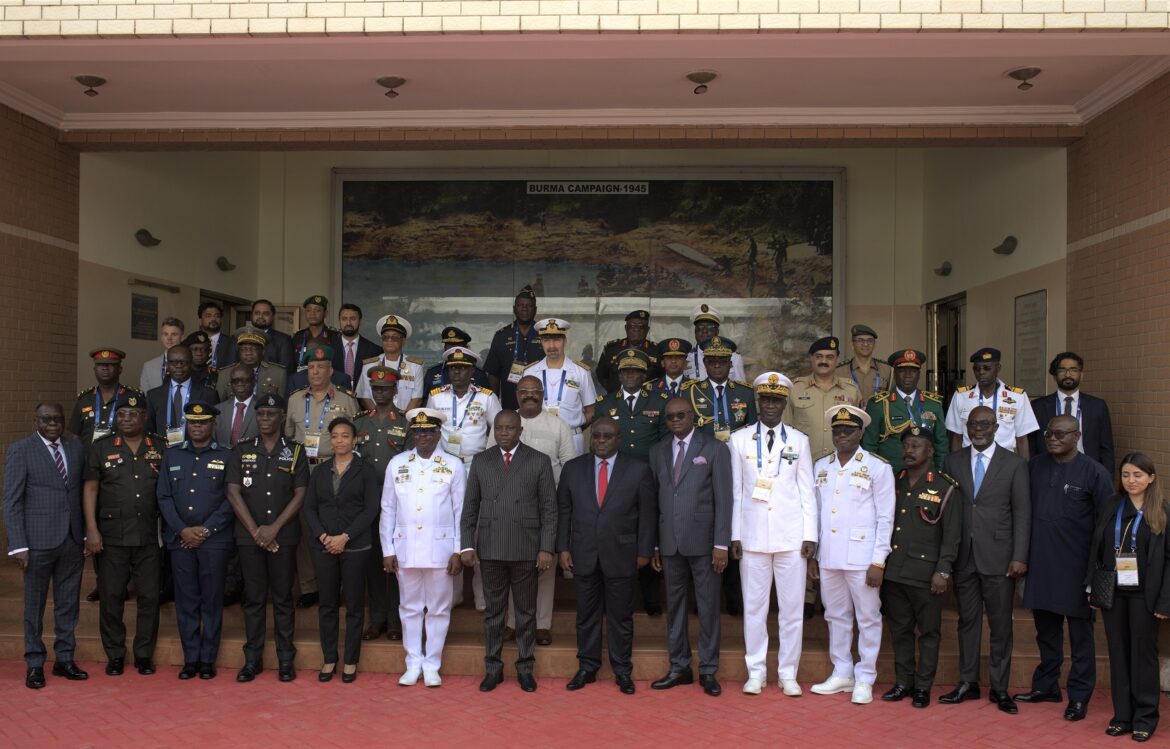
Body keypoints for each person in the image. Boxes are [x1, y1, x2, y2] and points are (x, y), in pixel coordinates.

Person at [1015, 414, 1114, 720]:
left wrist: (1096, 571)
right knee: (1046, 631)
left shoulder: (1094, 472)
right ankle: (1046, 686)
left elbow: (1105, 525)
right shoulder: (1036, 466)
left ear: (1077, 435)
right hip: (1042, 564)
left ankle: (1080, 695)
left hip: (1077, 568)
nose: (1053, 438)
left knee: (1081, 636)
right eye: (1049, 433)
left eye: (1061, 434)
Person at [728, 372, 815, 697]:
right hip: (751, 537)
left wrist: (811, 535)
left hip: (792, 538)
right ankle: (756, 671)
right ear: (758, 401)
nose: (770, 405)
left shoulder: (798, 440)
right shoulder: (739, 440)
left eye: (777, 400)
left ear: (784, 403)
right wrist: (735, 535)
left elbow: (807, 492)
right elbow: (736, 491)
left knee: (792, 609)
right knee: (754, 608)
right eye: (765, 399)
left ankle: (788, 673)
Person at [939, 405, 1030, 714]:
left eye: (985, 424)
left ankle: (1000, 688)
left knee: (1001, 625)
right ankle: (968, 682)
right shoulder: (952, 461)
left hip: (1000, 558)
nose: (978, 429)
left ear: (996, 427)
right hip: (964, 557)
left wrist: (1019, 556)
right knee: (968, 623)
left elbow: (1022, 513)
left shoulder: (1015, 464)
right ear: (966, 427)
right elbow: (947, 513)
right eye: (973, 424)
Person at [459, 410, 557, 693]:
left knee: (526, 613)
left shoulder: (538, 460)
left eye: (510, 429)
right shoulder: (481, 460)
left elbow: (549, 510)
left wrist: (546, 548)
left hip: (526, 548)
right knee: (494, 613)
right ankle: (493, 668)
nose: (504, 433)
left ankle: (525, 668)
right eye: (499, 428)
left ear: (520, 431)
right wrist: (467, 544)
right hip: (490, 548)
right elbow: (470, 509)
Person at [556, 417, 656, 695]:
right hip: (582, 553)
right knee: (586, 615)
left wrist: (645, 552)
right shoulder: (573, 469)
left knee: (620, 617)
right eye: (596, 436)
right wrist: (563, 547)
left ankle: (622, 670)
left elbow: (647, 515)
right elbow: (564, 510)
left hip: (623, 555)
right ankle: (587, 667)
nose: (600, 440)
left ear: (618, 439)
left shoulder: (638, 470)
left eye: (607, 436)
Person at [809, 405, 895, 706]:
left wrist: (878, 560)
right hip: (830, 556)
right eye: (837, 430)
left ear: (861, 433)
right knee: (835, 616)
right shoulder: (821, 466)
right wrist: (814, 556)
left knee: (868, 617)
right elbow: (817, 514)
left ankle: (866, 676)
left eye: (848, 430)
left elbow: (886, 518)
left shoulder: (877, 467)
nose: (842, 435)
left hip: (863, 558)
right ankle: (842, 671)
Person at [648, 397, 732, 697]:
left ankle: (708, 670)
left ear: (693, 416)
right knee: (675, 607)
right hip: (670, 543)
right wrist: (656, 544)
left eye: (681, 415)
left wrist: (721, 543)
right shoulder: (657, 451)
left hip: (705, 543)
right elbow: (656, 500)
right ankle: (679, 666)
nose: (675, 421)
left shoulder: (714, 449)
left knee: (708, 608)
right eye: (669, 417)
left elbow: (725, 500)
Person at [224, 392, 308, 683]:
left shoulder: (296, 451)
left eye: (271, 414)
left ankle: (286, 660)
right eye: (260, 414)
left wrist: (273, 529)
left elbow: (300, 494)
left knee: (284, 598)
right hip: (250, 539)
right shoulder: (242, 449)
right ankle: (252, 660)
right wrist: (256, 531)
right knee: (254, 599)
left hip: (283, 537)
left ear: (282, 416)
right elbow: (233, 491)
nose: (265, 419)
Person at [380, 408, 467, 688]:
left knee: (439, 610)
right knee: (409, 608)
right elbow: (387, 509)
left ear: (438, 433)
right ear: (412, 434)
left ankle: (432, 664)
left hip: (441, 551)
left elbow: (461, 511)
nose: (423, 437)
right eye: (418, 432)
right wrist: (387, 549)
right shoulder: (397, 463)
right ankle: (413, 662)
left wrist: (459, 550)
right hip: (405, 549)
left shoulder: (453, 465)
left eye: (428, 431)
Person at [3, 402, 87, 689]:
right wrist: (18, 545)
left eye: (57, 419)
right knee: (34, 607)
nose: (53, 424)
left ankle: (65, 659)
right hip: (36, 542)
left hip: (72, 539)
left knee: (68, 604)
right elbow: (11, 502)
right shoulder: (21, 450)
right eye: (46, 420)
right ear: (36, 421)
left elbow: (78, 492)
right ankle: (35, 663)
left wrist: (85, 534)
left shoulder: (75, 448)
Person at [82, 394, 166, 677]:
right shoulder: (101, 447)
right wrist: (91, 529)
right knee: (111, 596)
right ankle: (115, 654)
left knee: (149, 597)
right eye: (122, 415)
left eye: (133, 414)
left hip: (149, 536)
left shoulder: (161, 446)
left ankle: (143, 654)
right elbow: (91, 489)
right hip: (112, 536)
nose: (127, 419)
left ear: (144, 417)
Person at [880, 424, 961, 708]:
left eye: (916, 445)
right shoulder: (894, 480)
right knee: (899, 631)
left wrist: (943, 570)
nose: (909, 450)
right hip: (894, 571)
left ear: (931, 450)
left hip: (926, 575)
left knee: (928, 633)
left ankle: (923, 687)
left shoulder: (944, 487)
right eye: (906, 445)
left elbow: (951, 535)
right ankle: (904, 681)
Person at [1090, 453, 1170, 742]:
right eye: (1125, 475)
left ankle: (1145, 718)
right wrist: (1092, 587)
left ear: (1150, 478)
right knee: (1119, 655)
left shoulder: (1162, 511)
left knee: (1143, 657)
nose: (1131, 480)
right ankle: (1122, 716)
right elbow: (1096, 549)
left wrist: (1165, 602)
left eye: (1137, 475)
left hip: (1146, 597)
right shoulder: (1113, 506)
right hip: (1115, 592)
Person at [156, 401, 234, 680]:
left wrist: (205, 531)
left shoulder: (227, 455)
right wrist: (182, 530)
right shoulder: (172, 455)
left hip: (214, 541)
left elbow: (231, 499)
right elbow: (164, 497)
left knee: (211, 600)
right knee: (186, 600)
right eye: (192, 422)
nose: (197, 427)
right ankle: (190, 658)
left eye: (202, 422)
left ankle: (207, 659)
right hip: (181, 541)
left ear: (213, 425)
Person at [303, 417, 380, 683]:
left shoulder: (366, 470)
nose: (339, 441)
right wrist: (324, 536)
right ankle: (329, 658)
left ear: (355, 439)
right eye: (335, 436)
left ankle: (350, 660)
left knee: (355, 606)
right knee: (327, 605)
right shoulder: (321, 471)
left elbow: (371, 509)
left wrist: (345, 537)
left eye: (345, 436)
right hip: (324, 546)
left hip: (355, 546)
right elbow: (310, 507)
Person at [284, 342, 360, 608]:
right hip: (304, 469)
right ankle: (308, 587)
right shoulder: (294, 400)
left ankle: (337, 586)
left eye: (321, 367)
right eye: (311, 367)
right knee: (307, 528)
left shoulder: (345, 400)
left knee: (336, 524)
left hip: (333, 467)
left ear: (331, 371)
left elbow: (355, 438)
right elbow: (289, 438)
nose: (315, 372)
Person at [513, 373, 579, 639]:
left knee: (544, 567)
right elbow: (490, 461)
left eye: (534, 391)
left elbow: (570, 468)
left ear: (542, 394)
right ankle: (510, 623)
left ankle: (541, 624)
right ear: (517, 394)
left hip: (546, 509)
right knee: (511, 565)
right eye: (523, 391)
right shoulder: (505, 422)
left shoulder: (558, 425)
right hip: (511, 509)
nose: (529, 395)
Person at [353, 366, 409, 642]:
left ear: (395, 390)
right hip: (367, 502)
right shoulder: (360, 423)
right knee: (374, 561)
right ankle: (376, 619)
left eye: (385, 388)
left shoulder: (407, 423)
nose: (380, 393)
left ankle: (396, 620)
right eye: (375, 388)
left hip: (398, 503)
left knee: (397, 561)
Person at [945, 347, 1040, 458]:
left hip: (1004, 461)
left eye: (987, 368)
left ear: (998, 368)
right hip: (970, 459)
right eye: (977, 369)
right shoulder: (961, 396)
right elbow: (956, 437)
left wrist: (1024, 471)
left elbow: (1022, 440)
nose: (981, 372)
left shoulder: (1017, 396)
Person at [862, 349, 948, 471]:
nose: (908, 375)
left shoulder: (933, 404)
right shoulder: (879, 404)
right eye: (902, 370)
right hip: (890, 474)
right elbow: (869, 445)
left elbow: (941, 444)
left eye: (913, 371)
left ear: (919, 373)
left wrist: (940, 474)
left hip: (925, 477)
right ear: (894, 372)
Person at [1028, 351, 1115, 472]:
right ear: (1055, 375)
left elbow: (1106, 448)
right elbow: (1032, 446)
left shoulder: (1097, 406)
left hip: (1087, 470)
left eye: (1073, 370)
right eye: (1062, 370)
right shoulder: (1038, 406)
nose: (1067, 374)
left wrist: (1107, 479)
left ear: (1081, 374)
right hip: (1049, 470)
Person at [524, 318, 597, 454]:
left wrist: (574, 425)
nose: (552, 346)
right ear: (541, 342)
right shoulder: (530, 373)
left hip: (572, 437)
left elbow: (591, 410)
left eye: (557, 339)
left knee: (572, 475)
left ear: (565, 341)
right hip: (538, 438)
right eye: (546, 340)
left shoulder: (581, 372)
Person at [784, 336, 862, 461]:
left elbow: (860, 430)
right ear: (811, 358)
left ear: (836, 359)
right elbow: (785, 428)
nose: (823, 361)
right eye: (819, 356)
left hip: (841, 465)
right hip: (804, 463)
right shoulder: (795, 389)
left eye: (829, 357)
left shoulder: (851, 390)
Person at [425, 347, 502, 464]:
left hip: (477, 462)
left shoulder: (487, 397)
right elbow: (429, 429)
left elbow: (499, 428)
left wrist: (491, 456)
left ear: (472, 370)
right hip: (443, 462)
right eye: (452, 367)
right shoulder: (436, 396)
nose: (456, 371)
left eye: (462, 367)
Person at [593, 348, 667, 461]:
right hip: (615, 467)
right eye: (625, 371)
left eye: (635, 371)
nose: (629, 375)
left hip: (649, 466)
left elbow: (665, 440)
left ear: (644, 376)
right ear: (619, 376)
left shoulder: (659, 402)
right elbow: (596, 440)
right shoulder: (604, 403)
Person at [685, 336, 756, 445]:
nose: (717, 365)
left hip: (736, 452)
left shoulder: (745, 392)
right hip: (703, 453)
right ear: (705, 363)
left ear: (730, 364)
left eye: (722, 361)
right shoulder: (691, 391)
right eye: (712, 361)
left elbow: (752, 430)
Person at [483, 285, 544, 410]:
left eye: (529, 305)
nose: (525, 309)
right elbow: (493, 374)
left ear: (535, 309)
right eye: (521, 305)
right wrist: (494, 406)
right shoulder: (501, 336)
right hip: (509, 405)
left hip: (540, 405)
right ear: (514, 309)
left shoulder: (544, 336)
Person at [145, 345, 218, 446]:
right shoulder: (153, 395)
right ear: (167, 365)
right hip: (163, 452)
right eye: (173, 362)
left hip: (196, 453)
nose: (179, 366)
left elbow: (215, 428)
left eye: (183, 362)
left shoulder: (208, 394)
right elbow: (149, 429)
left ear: (191, 364)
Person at [70, 348, 145, 445]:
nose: (105, 368)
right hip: (88, 458)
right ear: (94, 370)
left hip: (121, 458)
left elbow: (143, 432)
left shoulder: (134, 397)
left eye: (111, 364)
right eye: (100, 365)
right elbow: (75, 436)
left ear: (120, 369)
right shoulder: (84, 399)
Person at [355, 314, 425, 412]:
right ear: (381, 340)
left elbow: (417, 399)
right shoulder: (369, 365)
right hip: (377, 422)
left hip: (404, 421)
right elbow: (364, 397)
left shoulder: (415, 366)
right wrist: (379, 419)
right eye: (385, 337)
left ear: (403, 341)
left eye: (395, 337)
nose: (390, 340)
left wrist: (403, 420)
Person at [215, 326, 286, 401]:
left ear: (263, 351)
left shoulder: (278, 373)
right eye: (243, 349)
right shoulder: (225, 374)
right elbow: (219, 406)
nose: (248, 353)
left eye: (254, 349)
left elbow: (282, 406)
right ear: (238, 351)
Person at [221, 298, 294, 371]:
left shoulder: (283, 340)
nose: (261, 317)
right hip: (241, 381)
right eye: (257, 313)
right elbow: (229, 368)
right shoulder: (236, 338)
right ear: (251, 315)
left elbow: (286, 371)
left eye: (265, 313)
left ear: (273, 316)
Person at [595, 310, 660, 392]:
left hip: (647, 400)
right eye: (632, 326)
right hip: (616, 400)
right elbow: (601, 375)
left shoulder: (656, 351)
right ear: (626, 328)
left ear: (647, 329)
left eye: (641, 327)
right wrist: (614, 390)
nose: (636, 329)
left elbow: (661, 378)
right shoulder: (611, 349)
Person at [685, 304, 746, 382]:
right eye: (700, 327)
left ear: (717, 331)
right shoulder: (686, 358)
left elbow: (740, 389)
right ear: (695, 331)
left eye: (710, 327)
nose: (704, 331)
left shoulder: (734, 357)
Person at [422, 326, 491, 392]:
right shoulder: (433, 373)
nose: (453, 349)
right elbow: (425, 400)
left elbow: (486, 399)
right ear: (445, 348)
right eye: (450, 345)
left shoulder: (478, 374)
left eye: (457, 345)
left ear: (466, 348)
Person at [837, 324, 892, 404]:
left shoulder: (887, 370)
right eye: (860, 340)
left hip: (878, 416)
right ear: (852, 344)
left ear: (875, 344)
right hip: (849, 415)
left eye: (870, 340)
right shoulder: (838, 371)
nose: (865, 344)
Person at [290, 295, 344, 374]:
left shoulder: (336, 337)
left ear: (325, 313)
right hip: (301, 381)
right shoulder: (298, 336)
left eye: (317, 310)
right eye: (308, 310)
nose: (312, 314)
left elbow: (339, 365)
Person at [336, 303, 381, 391]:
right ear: (339, 321)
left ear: (360, 321)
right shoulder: (329, 349)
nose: (348, 323)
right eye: (344, 319)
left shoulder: (375, 350)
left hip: (365, 402)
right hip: (336, 400)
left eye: (353, 319)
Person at [214, 364, 258, 448]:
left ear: (254, 382)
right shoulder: (218, 410)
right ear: (231, 383)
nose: (240, 384)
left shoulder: (262, 409)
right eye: (235, 381)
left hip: (252, 458)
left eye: (245, 380)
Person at [140, 317, 185, 393]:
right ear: (161, 337)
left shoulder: (190, 364)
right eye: (165, 334)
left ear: (182, 337)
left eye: (174, 334)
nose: (169, 338)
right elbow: (144, 398)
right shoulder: (149, 366)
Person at [646, 337, 692, 401]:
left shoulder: (694, 387)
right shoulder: (650, 388)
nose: (673, 361)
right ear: (662, 363)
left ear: (685, 363)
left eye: (678, 358)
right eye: (669, 358)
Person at [198, 301, 229, 371]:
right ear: (200, 320)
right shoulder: (191, 342)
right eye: (208, 316)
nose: (213, 319)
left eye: (217, 316)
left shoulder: (231, 342)